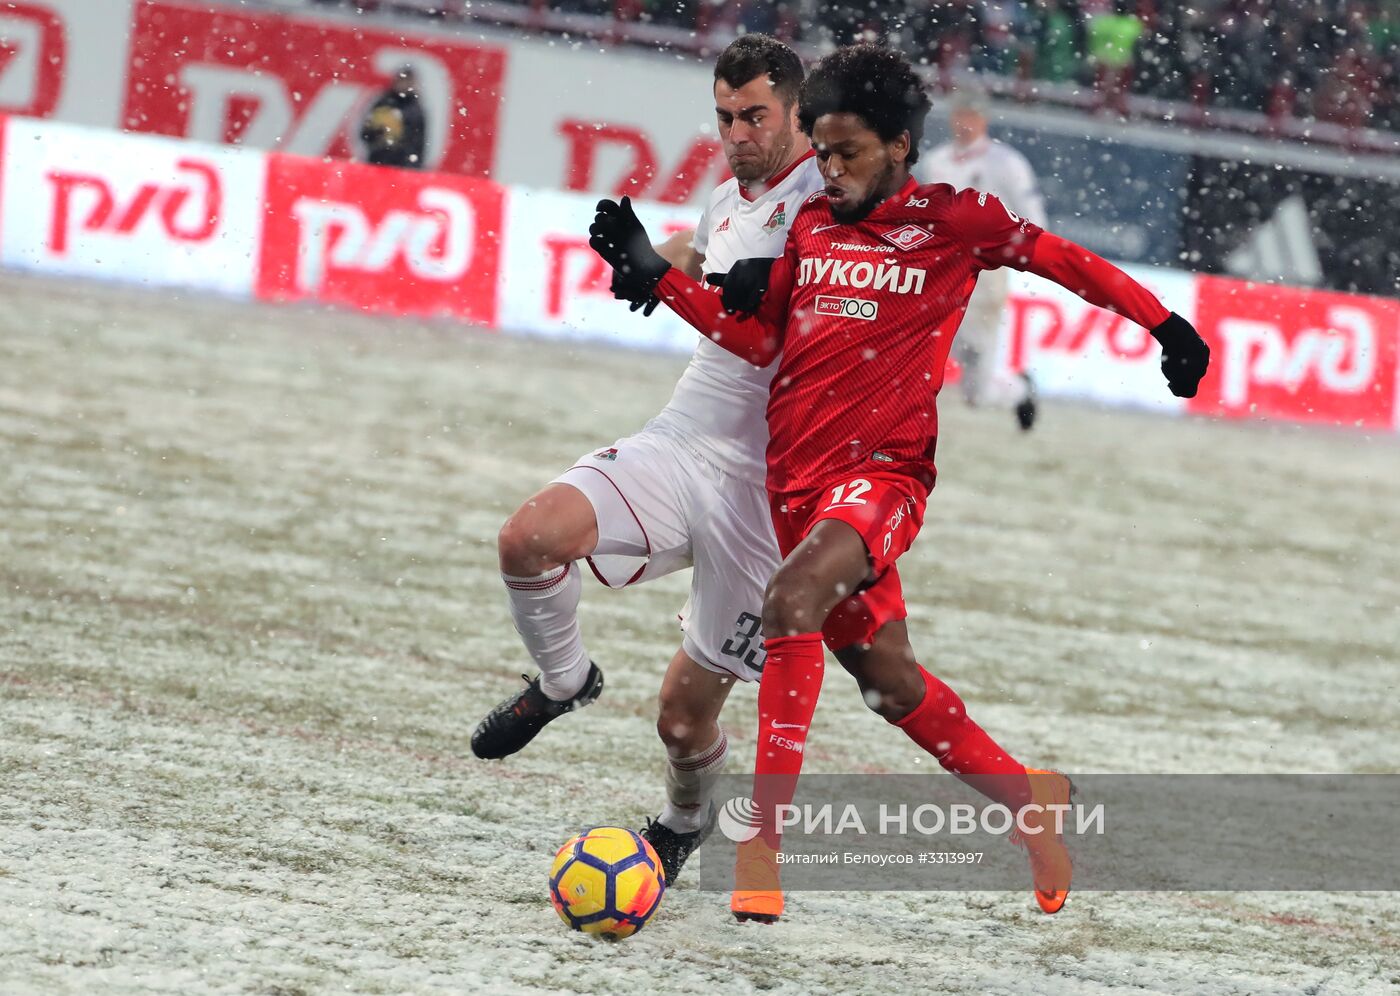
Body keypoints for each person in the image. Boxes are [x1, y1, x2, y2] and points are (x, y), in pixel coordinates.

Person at [588, 44, 1210, 922]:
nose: (829, 172)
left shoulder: (954, 220)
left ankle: (763, 840)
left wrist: (1165, 324)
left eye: (847, 154)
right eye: (823, 152)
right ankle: (1027, 799)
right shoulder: (812, 227)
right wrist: (658, 276)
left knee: (791, 598)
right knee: (893, 685)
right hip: (795, 486)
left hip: (884, 479)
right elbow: (760, 342)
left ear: (900, 148)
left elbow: (1062, 259)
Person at [470, 35, 825, 891]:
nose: (737, 134)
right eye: (724, 116)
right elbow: (704, 252)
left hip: (771, 499)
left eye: (755, 116)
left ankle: (681, 822)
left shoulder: (832, 198)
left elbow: (773, 325)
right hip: (685, 440)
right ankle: (564, 682)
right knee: (528, 538)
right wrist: (655, 264)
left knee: (682, 721)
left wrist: (679, 277)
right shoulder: (728, 198)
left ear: (798, 111)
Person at [922, 88, 1048, 429]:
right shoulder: (936, 161)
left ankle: (1019, 389)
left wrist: (1009, 252)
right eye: (961, 114)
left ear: (985, 120)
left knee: (977, 390)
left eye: (973, 116)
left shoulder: (1006, 163)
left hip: (985, 276)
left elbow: (1034, 219)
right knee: (928, 345)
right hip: (941, 273)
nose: (965, 123)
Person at [360, 66, 426, 169]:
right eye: (402, 81)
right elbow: (365, 134)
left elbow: (418, 144)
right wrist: (378, 133)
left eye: (408, 82)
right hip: (377, 163)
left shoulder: (415, 110)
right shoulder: (382, 103)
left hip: (401, 167)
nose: (404, 85)